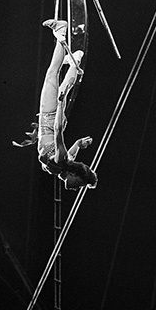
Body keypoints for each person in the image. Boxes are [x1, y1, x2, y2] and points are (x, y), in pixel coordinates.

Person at [28, 18, 97, 190]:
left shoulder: (64, 164)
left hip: (52, 120)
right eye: (79, 184)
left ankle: (76, 61)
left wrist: (80, 143)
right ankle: (61, 31)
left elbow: (73, 148)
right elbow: (58, 131)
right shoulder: (62, 160)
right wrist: (60, 105)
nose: (75, 188)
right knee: (52, 74)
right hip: (51, 119)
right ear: (74, 174)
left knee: (59, 84)